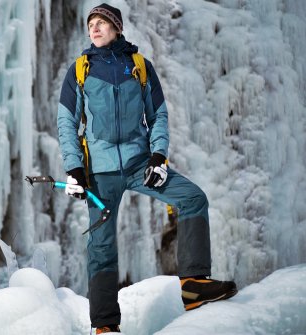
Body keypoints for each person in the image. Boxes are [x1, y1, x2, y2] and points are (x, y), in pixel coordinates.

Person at [57, 3, 237, 333]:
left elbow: (158, 116)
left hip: (140, 163)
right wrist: (74, 168)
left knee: (193, 198)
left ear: (117, 28)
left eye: (101, 23)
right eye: (91, 24)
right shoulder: (80, 70)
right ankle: (105, 326)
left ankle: (195, 284)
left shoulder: (140, 66)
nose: (94, 28)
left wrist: (158, 156)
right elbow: (66, 122)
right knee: (101, 246)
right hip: (100, 172)